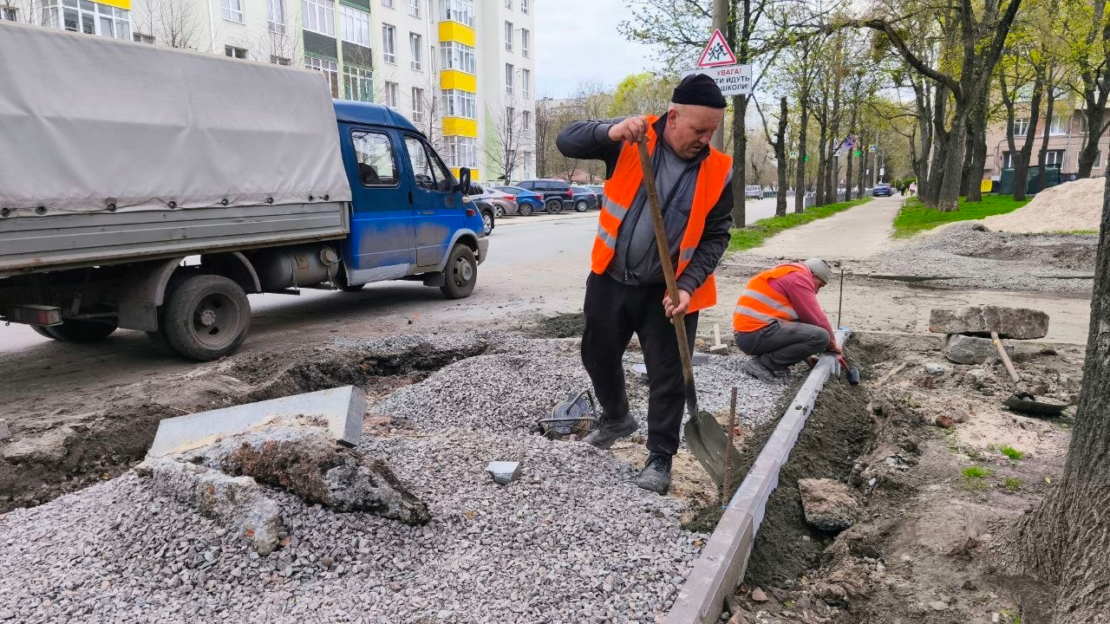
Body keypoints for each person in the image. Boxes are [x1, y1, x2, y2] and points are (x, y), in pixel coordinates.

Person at [555, 74, 734, 494]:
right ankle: (617, 417)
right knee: (597, 355)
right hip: (610, 279)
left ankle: (660, 456)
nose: (706, 139)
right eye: (699, 129)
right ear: (673, 117)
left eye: (712, 131)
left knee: (667, 375)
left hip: (668, 292)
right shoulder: (633, 138)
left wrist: (688, 285)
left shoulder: (719, 171)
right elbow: (568, 140)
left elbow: (716, 235)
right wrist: (609, 130)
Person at [733, 258, 840, 383]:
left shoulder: (788, 273)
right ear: (813, 275)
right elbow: (816, 318)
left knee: (813, 332)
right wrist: (833, 345)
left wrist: (805, 356)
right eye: (819, 285)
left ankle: (771, 363)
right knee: (821, 337)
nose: (816, 291)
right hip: (754, 334)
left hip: (751, 333)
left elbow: (798, 324)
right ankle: (763, 364)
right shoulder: (798, 278)